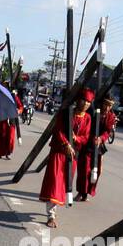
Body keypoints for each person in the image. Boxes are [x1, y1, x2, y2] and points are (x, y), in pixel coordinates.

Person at [38, 88, 92, 227]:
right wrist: (66, 143)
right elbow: (58, 130)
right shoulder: (65, 113)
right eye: (84, 100)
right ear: (78, 100)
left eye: (89, 102)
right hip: (59, 152)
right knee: (54, 183)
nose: (86, 104)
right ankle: (51, 215)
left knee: (63, 184)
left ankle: (54, 210)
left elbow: (85, 137)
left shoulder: (87, 118)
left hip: (72, 155)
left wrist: (76, 139)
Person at [77, 96, 116, 199]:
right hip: (87, 143)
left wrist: (101, 138)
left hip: (99, 146)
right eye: (106, 104)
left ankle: (89, 191)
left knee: (97, 170)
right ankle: (81, 192)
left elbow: (108, 132)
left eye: (110, 105)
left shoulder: (111, 116)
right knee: (84, 169)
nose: (107, 107)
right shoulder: (93, 111)